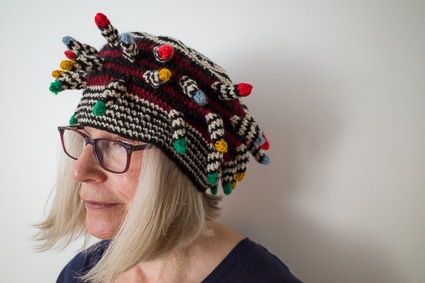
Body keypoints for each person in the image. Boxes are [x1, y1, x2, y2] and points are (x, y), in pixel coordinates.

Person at [35, 12, 302, 283]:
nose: (79, 171)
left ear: (178, 170)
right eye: (84, 138)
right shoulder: (80, 273)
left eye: (116, 145)